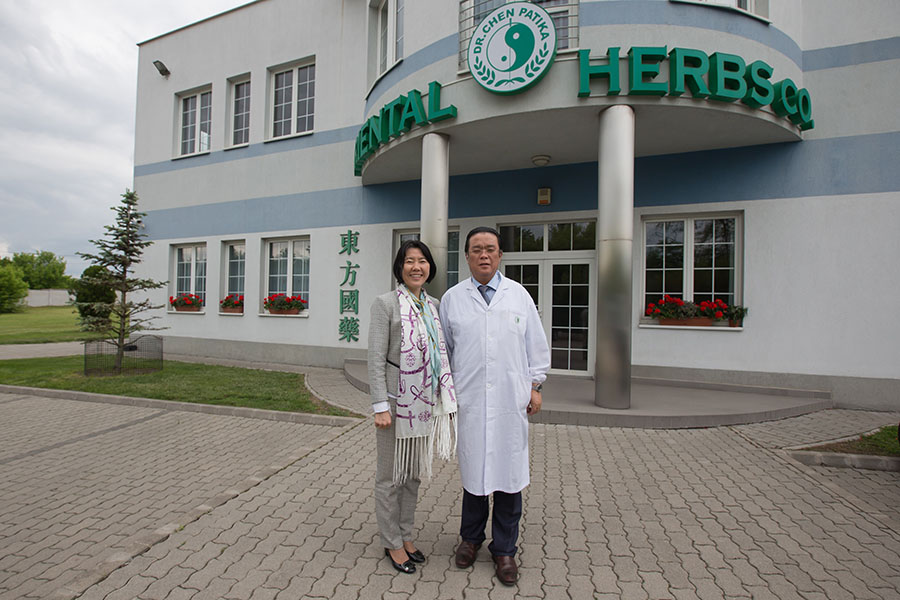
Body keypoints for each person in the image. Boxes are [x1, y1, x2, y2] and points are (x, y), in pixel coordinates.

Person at [439, 226, 550, 586]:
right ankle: (471, 540)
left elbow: (536, 346)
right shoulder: (453, 299)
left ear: (500, 255)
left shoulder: (518, 296)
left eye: (490, 249)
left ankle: (504, 550)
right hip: (471, 401)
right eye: (476, 250)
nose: (483, 255)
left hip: (509, 401)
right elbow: (446, 353)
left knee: (508, 476)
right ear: (467, 257)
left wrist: (535, 386)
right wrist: (448, 395)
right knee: (475, 475)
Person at [367, 240, 458, 575]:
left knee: (413, 475)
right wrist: (380, 405)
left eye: (422, 261)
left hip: (423, 405)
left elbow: (439, 355)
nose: (416, 267)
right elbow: (375, 359)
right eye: (409, 261)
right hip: (394, 404)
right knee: (390, 477)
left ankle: (406, 535)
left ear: (430, 267)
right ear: (399, 267)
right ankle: (391, 541)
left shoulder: (433, 305)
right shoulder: (386, 304)